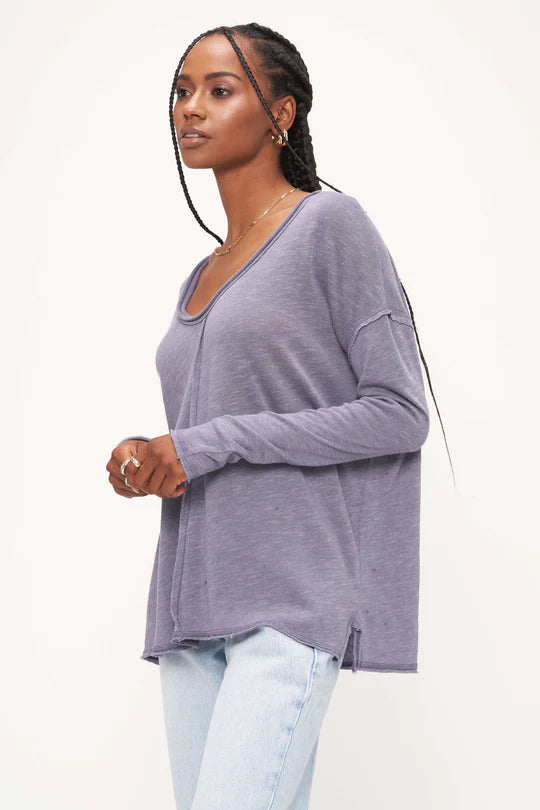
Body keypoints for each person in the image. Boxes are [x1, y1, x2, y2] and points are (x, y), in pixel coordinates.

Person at [105, 23, 452, 810]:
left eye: (219, 90)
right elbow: (208, 432)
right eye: (182, 91)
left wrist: (208, 442)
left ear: (281, 114)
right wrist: (150, 457)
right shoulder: (201, 274)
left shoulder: (330, 225)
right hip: (190, 610)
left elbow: (399, 412)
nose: (190, 108)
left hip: (286, 603)